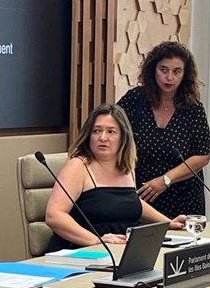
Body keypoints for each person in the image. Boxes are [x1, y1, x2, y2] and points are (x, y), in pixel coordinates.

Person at [45, 104, 186, 252]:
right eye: (96, 131)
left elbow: (128, 202)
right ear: (88, 136)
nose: (103, 138)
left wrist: (167, 223)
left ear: (123, 137)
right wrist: (96, 240)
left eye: (111, 132)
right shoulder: (78, 166)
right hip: (82, 251)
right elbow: (54, 215)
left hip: (123, 249)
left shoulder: (126, 166)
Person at [117, 41, 210, 219]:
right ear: (153, 70)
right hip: (143, 191)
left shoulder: (192, 108)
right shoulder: (135, 100)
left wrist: (165, 180)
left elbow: (203, 155)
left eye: (176, 71)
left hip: (183, 195)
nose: (169, 77)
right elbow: (113, 128)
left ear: (185, 74)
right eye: (164, 70)